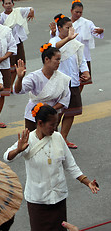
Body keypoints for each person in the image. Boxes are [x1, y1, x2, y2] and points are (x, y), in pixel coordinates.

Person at [3, 104, 99, 231]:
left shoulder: (58, 138)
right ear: (40, 123)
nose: (54, 128)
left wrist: (87, 182)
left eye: (56, 124)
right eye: (52, 125)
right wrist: (18, 150)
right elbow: (7, 157)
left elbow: (70, 165)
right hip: (37, 201)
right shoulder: (28, 139)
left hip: (58, 198)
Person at [49, 14, 90, 149]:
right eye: (67, 27)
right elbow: (55, 48)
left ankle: (63, 138)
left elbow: (81, 60)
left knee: (71, 112)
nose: (70, 29)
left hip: (73, 83)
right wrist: (68, 39)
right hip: (59, 84)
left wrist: (85, 72)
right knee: (57, 112)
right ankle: (52, 138)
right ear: (59, 28)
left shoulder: (75, 44)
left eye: (71, 27)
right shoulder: (54, 42)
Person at [14, 43, 71, 131]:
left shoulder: (63, 78)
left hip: (51, 116)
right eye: (57, 59)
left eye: (60, 59)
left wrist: (50, 109)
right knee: (32, 140)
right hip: (33, 116)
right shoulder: (34, 77)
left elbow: (65, 99)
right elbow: (18, 90)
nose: (59, 62)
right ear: (47, 59)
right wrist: (20, 78)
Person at [50, 0, 104, 91]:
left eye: (80, 12)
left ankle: (77, 95)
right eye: (76, 12)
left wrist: (100, 31)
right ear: (71, 11)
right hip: (67, 55)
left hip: (83, 55)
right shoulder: (64, 23)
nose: (78, 14)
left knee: (81, 80)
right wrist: (53, 32)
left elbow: (95, 31)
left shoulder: (87, 23)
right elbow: (55, 41)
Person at [0, 0, 34, 88]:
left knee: (19, 64)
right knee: (11, 66)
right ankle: (9, 85)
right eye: (6, 4)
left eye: (9, 3)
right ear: (3, 5)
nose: (8, 5)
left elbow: (30, 8)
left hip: (18, 42)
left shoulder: (18, 11)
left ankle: (14, 84)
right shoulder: (1, 16)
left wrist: (32, 12)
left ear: (13, 4)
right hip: (8, 44)